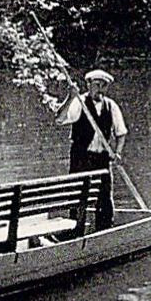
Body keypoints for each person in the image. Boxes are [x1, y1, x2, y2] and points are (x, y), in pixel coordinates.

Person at [47, 69, 127, 229]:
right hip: (81, 159)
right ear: (88, 85)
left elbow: (121, 133)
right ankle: (75, 233)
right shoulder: (79, 103)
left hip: (102, 160)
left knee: (105, 199)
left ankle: (104, 233)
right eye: (96, 85)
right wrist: (70, 97)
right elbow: (60, 119)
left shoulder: (111, 106)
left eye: (103, 86)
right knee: (78, 197)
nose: (100, 89)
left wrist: (117, 152)